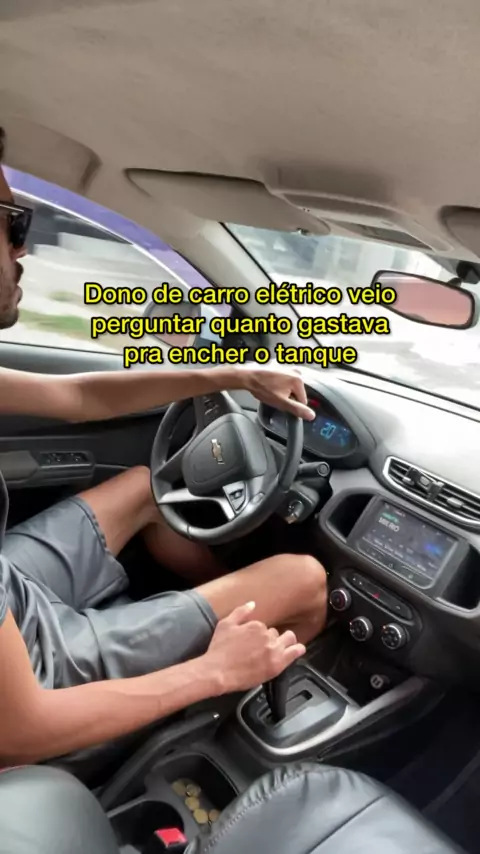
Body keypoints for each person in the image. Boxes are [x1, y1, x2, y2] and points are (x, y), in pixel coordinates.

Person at [0, 127, 327, 766]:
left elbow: (78, 396)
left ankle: (215, 611)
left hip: (13, 588)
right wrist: (213, 670)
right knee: (306, 579)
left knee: (147, 486)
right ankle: (204, 730)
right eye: (13, 222)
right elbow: (17, 732)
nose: (24, 248)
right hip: (32, 674)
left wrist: (235, 374)